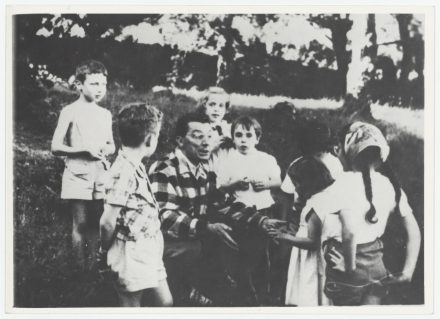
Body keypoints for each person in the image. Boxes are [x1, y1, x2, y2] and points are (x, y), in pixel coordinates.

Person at [149, 112, 282, 306]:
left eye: (209, 136)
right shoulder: (164, 169)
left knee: (232, 290)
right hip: (166, 244)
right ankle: (180, 288)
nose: (205, 143)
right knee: (198, 249)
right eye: (197, 136)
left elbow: (223, 202)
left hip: (195, 238)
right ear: (180, 141)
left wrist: (261, 220)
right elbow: (164, 216)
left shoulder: (204, 170)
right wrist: (208, 228)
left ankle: (206, 287)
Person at [304, 122, 421, 306]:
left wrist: (349, 267)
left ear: (345, 152)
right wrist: (407, 272)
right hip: (377, 267)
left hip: (348, 270)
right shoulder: (391, 186)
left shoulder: (341, 185)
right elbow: (413, 232)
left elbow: (349, 231)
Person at [98, 103, 172, 307]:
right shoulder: (123, 171)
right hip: (130, 250)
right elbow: (107, 221)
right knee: (131, 305)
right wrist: (104, 252)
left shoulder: (134, 163)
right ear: (150, 139)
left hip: (148, 244)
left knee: (166, 302)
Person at [51, 60, 115, 270]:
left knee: (97, 222)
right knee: (80, 223)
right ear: (79, 85)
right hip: (77, 174)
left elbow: (111, 145)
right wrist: (82, 151)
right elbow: (55, 146)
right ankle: (79, 270)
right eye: (94, 84)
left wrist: (105, 150)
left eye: (103, 84)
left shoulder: (105, 115)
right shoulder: (70, 111)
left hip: (100, 174)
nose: (100, 89)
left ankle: (93, 266)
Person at [215, 116, 283, 305]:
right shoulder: (228, 159)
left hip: (263, 210)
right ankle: (246, 292)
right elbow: (220, 186)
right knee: (242, 252)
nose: (243, 140)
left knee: (262, 253)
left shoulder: (266, 159)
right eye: (238, 135)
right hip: (239, 213)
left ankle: (263, 292)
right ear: (233, 138)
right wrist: (235, 184)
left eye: (248, 135)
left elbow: (278, 181)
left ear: (257, 139)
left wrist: (266, 184)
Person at [268, 157, 334, 306]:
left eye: (297, 184)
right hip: (320, 256)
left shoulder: (314, 205)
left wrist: (284, 236)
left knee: (309, 291)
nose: (296, 189)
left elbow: (313, 242)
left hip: (311, 259)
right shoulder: (327, 197)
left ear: (309, 182)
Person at [196, 86, 232, 150]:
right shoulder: (200, 128)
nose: (216, 109)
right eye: (212, 104)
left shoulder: (229, 128)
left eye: (221, 106)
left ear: (225, 110)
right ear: (204, 106)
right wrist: (212, 147)